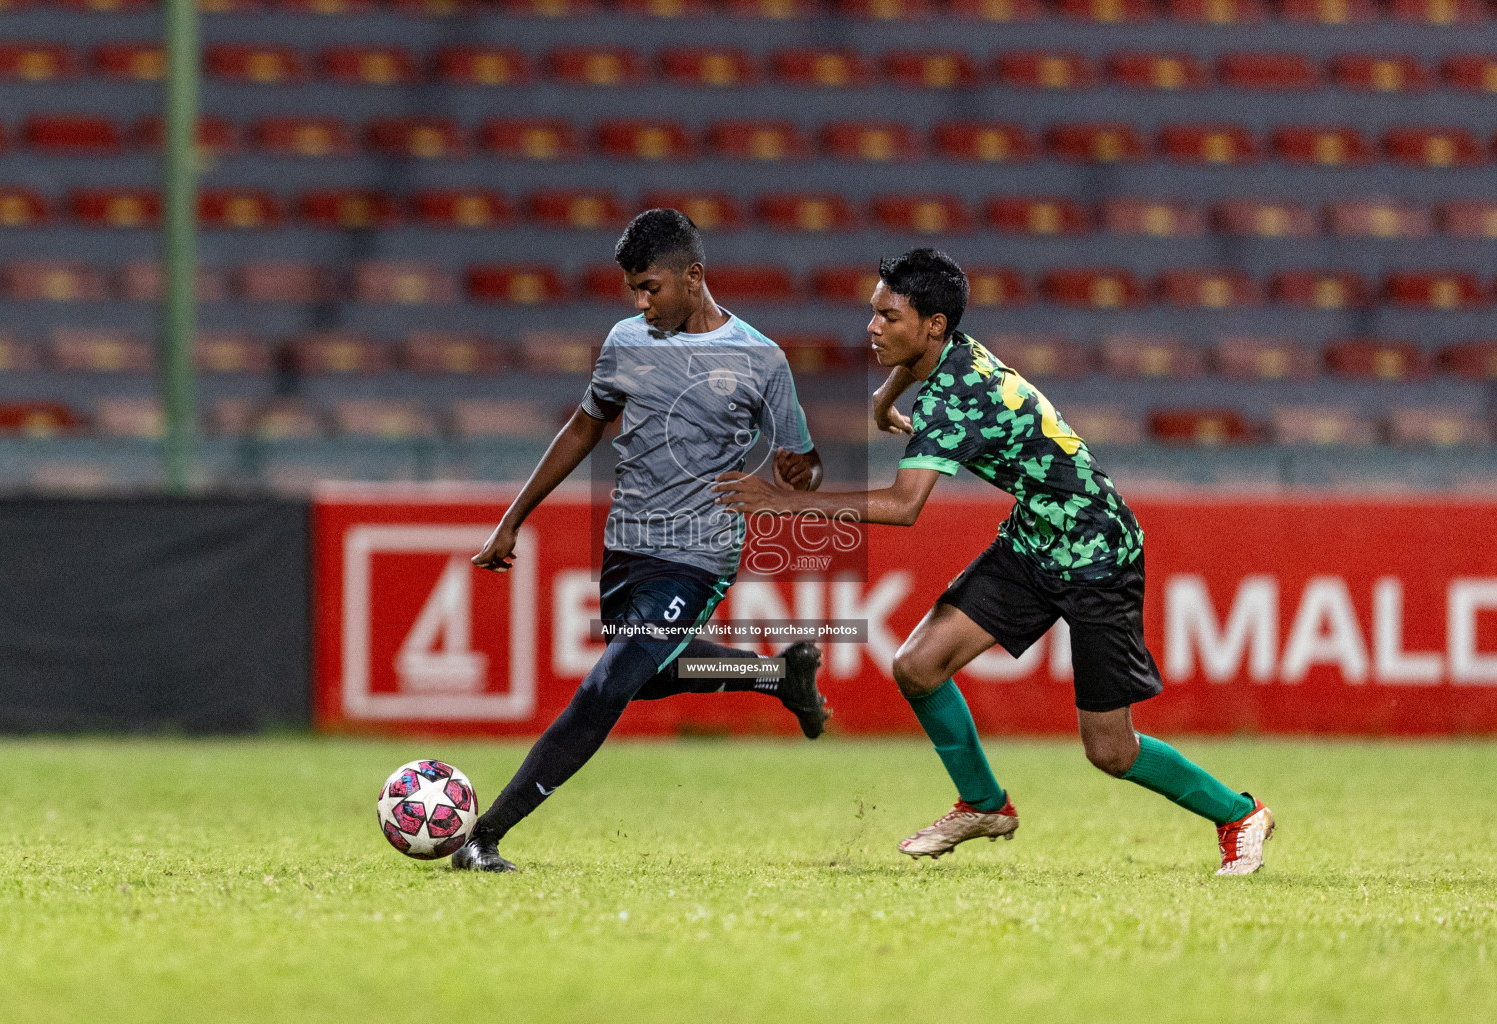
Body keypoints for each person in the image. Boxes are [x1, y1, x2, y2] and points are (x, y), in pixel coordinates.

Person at [713, 248, 1275, 876]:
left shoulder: (958, 397)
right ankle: (984, 804)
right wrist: (882, 401)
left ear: (932, 325)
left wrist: (784, 503)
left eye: (888, 317)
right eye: (873, 312)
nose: (872, 327)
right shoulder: (945, 349)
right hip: (1034, 540)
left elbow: (903, 507)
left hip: (1097, 555)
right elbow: (916, 370)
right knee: (919, 665)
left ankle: (1238, 814)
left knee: (1111, 751)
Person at [454, 209, 831, 873]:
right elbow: (583, 426)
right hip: (628, 548)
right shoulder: (627, 341)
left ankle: (484, 837)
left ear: (694, 276)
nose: (640, 302)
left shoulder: (760, 358)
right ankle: (776, 676)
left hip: (699, 555)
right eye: (633, 289)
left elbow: (803, 460)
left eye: (650, 287)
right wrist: (514, 517)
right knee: (646, 678)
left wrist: (790, 478)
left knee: (607, 685)